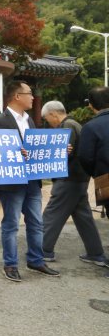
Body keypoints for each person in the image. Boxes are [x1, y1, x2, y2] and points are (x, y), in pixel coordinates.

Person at [0, 80, 59, 281]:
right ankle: (10, 264)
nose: (33, 97)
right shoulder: (0, 121)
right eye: (29, 93)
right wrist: (13, 151)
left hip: (32, 180)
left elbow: (34, 148)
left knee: (36, 222)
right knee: (11, 223)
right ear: (17, 96)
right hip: (11, 183)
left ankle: (36, 260)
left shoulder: (29, 120)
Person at [40, 100, 107, 267]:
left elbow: (64, 154)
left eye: (47, 118)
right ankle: (95, 253)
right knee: (83, 217)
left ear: (53, 114)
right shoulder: (74, 124)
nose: (48, 122)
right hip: (79, 178)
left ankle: (43, 251)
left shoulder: (67, 126)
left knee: (52, 213)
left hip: (68, 178)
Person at [79, 87, 109, 221]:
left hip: (106, 179)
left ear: (90, 104)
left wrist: (98, 173)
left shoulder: (91, 127)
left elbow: (85, 158)